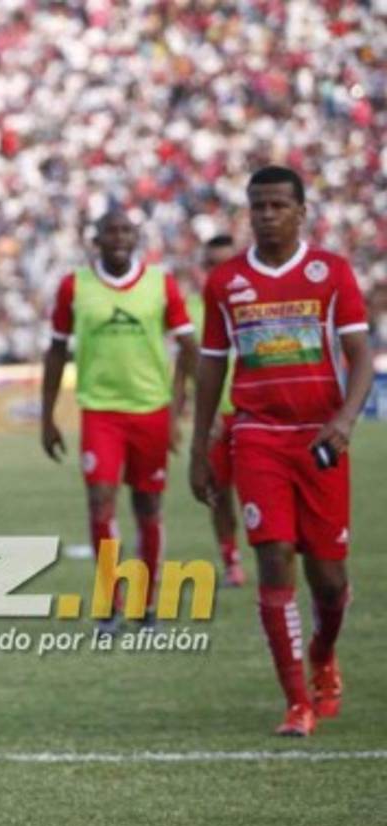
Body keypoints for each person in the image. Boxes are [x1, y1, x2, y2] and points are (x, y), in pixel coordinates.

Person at [190, 166, 373, 738]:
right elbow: (212, 364)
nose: (267, 215)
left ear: (301, 211)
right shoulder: (226, 281)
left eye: (277, 206)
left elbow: (363, 357)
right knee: (273, 559)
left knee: (330, 580)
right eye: (258, 206)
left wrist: (345, 419)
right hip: (257, 436)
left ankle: (323, 651)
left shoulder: (331, 272)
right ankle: (297, 701)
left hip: (321, 437)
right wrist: (200, 447)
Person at [40, 209, 197, 630]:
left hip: (151, 410)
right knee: (100, 501)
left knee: (148, 505)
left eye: (126, 231)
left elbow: (189, 344)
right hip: (101, 412)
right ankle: (110, 601)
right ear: (96, 240)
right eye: (111, 231)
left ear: (136, 238)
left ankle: (146, 605)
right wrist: (47, 414)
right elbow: (56, 351)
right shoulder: (75, 286)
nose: (119, 238)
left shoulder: (160, 283)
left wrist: (187, 401)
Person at [186, 234, 245, 587]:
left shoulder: (256, 298)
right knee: (219, 493)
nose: (218, 272)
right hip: (216, 419)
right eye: (211, 265)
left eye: (225, 263)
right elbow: (185, 362)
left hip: (254, 413)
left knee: (265, 493)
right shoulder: (193, 307)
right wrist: (192, 412)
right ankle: (231, 561)